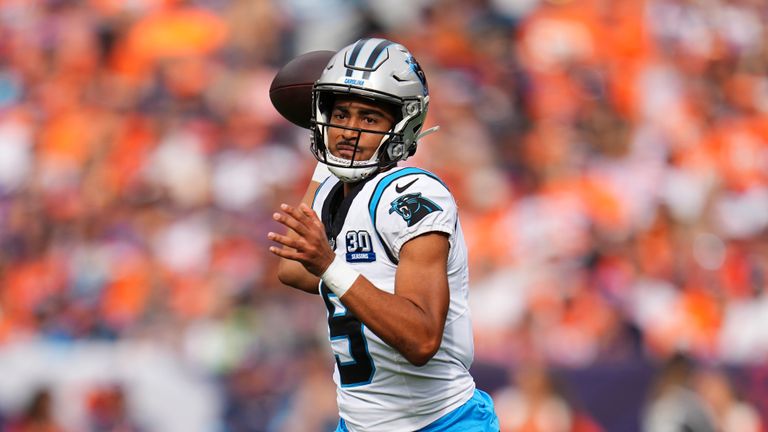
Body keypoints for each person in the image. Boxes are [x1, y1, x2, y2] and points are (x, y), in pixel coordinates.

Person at [268, 38, 500, 431]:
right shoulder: (330, 189)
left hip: (440, 422)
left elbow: (422, 339)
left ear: (401, 126)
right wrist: (326, 164)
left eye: (369, 119)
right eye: (340, 114)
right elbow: (292, 269)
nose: (349, 131)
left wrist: (329, 264)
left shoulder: (413, 194)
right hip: (359, 423)